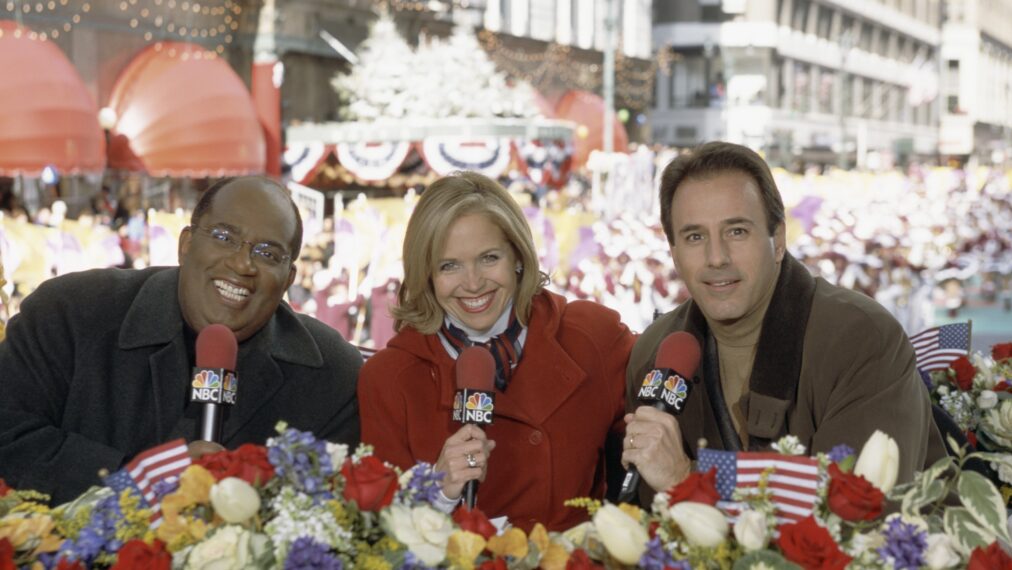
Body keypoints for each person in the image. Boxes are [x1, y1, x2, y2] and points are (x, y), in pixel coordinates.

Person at [0, 176, 361, 504]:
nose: (242, 264)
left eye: (267, 254)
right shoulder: (70, 314)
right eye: (224, 237)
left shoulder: (332, 376)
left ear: (288, 279)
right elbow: (9, 434)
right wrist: (140, 480)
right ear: (185, 245)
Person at [622, 142, 946, 501]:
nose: (716, 257)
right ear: (675, 254)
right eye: (695, 237)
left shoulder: (861, 340)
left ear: (778, 240)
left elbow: (861, 519)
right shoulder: (655, 352)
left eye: (737, 231)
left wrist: (684, 480)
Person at [359, 172, 634, 531]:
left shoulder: (592, 337)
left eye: (489, 258)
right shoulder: (388, 377)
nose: (473, 283)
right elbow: (377, 536)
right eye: (449, 266)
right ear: (425, 274)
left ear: (518, 256)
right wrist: (437, 491)